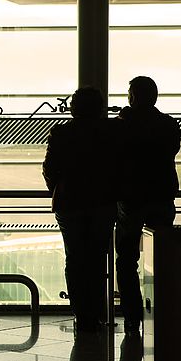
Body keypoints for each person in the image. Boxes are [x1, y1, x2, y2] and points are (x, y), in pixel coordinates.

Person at [42, 87, 119, 332]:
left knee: (74, 258)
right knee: (97, 259)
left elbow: (49, 168)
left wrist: (58, 189)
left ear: (74, 108)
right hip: (102, 203)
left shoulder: (61, 133)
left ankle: (80, 311)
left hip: (70, 203)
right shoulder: (110, 132)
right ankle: (96, 311)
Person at [114, 76, 181, 334]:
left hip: (131, 200)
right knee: (161, 257)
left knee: (127, 259)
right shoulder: (168, 125)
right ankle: (159, 312)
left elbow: (120, 153)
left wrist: (125, 120)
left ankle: (133, 316)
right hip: (162, 197)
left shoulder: (124, 125)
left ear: (134, 97)